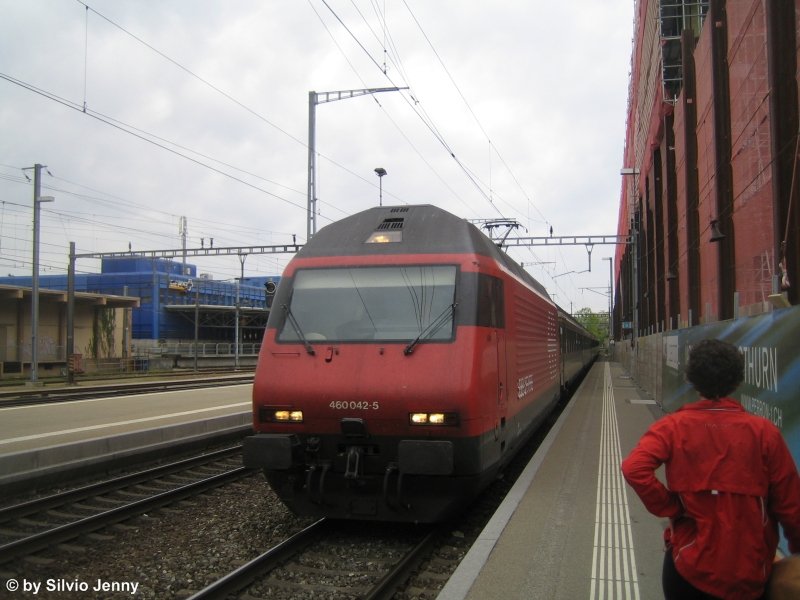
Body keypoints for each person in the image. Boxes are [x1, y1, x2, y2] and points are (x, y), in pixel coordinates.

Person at [621, 338, 800, 599]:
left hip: (687, 569)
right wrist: (796, 552)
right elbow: (791, 507)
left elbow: (634, 468)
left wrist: (671, 506)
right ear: (737, 380)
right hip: (749, 572)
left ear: (691, 379)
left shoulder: (673, 427)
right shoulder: (764, 434)